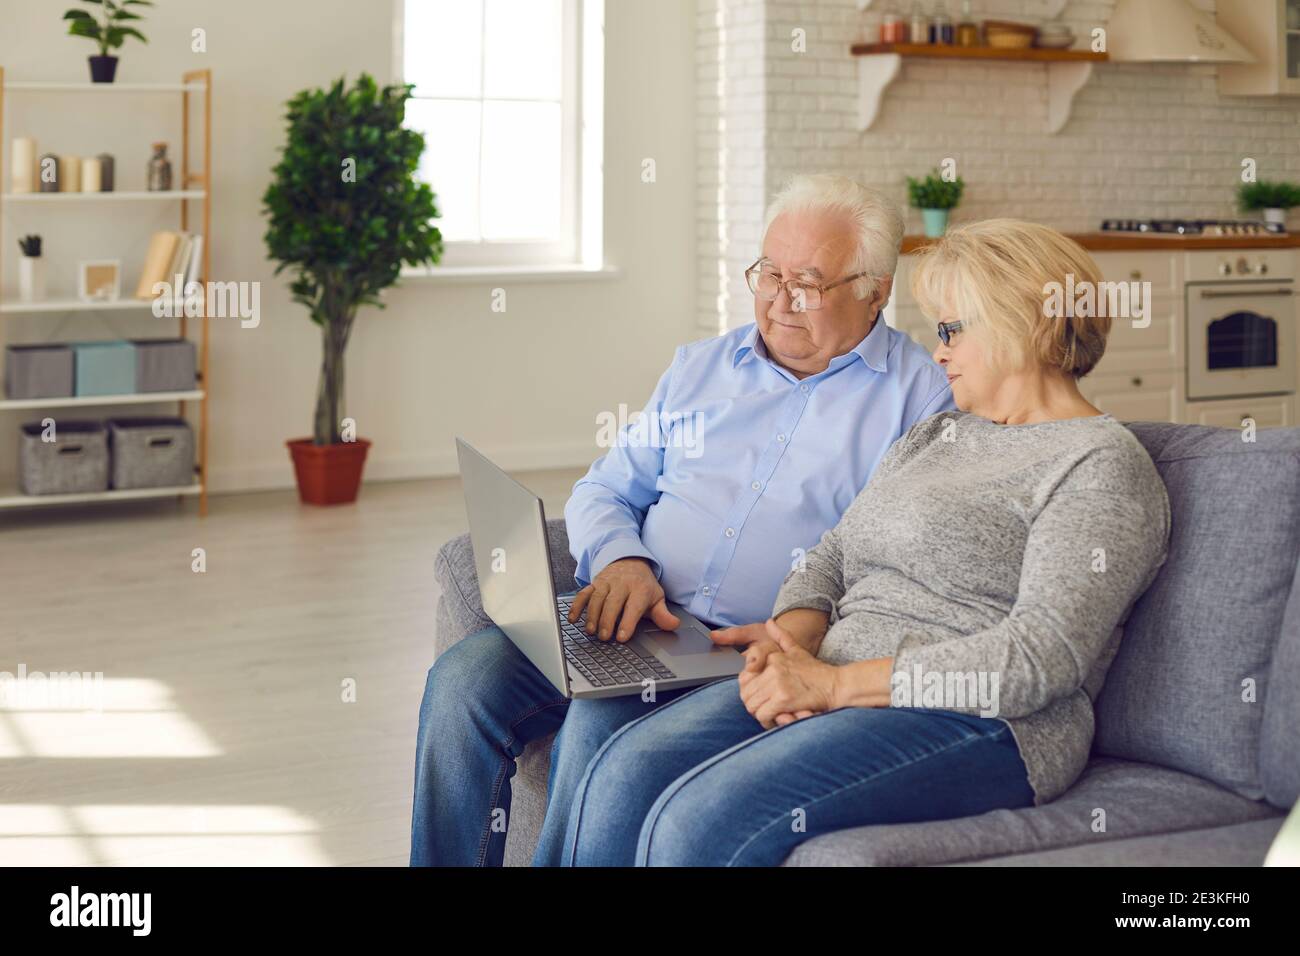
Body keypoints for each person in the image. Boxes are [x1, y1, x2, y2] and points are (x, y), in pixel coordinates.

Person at [552, 218, 1172, 866]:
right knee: (627, 765)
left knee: (698, 819)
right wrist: (790, 640)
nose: (939, 352)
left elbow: (1041, 658)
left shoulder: (1098, 465)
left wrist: (836, 686)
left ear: (1025, 326)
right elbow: (832, 552)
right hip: (833, 681)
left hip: (982, 724)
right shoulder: (940, 435)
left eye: (953, 330)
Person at [410, 175, 954, 866]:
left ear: (874, 288)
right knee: (462, 682)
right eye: (769, 274)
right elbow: (604, 488)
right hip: (633, 623)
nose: (780, 300)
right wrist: (620, 560)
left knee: (597, 726)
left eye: (808, 282)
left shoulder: (921, 399)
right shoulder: (702, 368)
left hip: (741, 653)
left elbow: (896, 563)